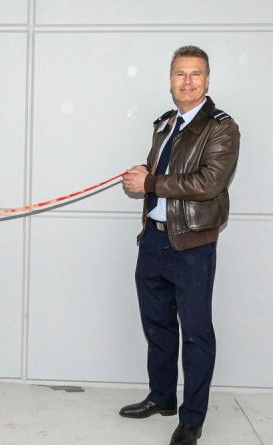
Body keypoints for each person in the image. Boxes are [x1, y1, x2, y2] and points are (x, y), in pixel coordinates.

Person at [121, 45, 240, 445]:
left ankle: (191, 419)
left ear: (207, 80)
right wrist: (144, 172)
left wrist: (151, 182)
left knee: (196, 334)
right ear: (170, 80)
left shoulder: (222, 127)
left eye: (195, 74)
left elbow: (209, 184)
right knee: (157, 327)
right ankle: (162, 397)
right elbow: (162, 174)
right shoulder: (164, 124)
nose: (187, 81)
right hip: (153, 243)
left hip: (192, 246)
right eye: (180, 74)